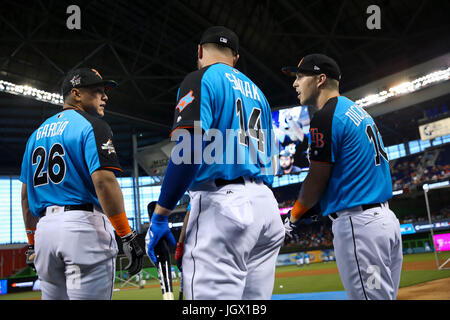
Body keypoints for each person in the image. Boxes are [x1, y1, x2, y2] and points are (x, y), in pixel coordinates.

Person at [145, 26, 284, 300]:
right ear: (236, 58)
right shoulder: (259, 94)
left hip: (226, 209)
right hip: (266, 207)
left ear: (199, 51)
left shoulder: (201, 78)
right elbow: (271, 159)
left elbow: (190, 150)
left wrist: (161, 215)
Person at [282, 54, 403, 300]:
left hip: (360, 226)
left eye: (300, 76)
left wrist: (291, 220)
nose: (295, 83)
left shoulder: (325, 117)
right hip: (384, 221)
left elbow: (316, 179)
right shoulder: (356, 110)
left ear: (320, 79)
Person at [19, 68, 143, 300]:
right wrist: (126, 234)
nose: (105, 97)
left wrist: (31, 242)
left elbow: (26, 196)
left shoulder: (35, 135)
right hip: (82, 228)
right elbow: (104, 183)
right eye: (97, 91)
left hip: (45, 232)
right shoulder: (93, 126)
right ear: (76, 94)